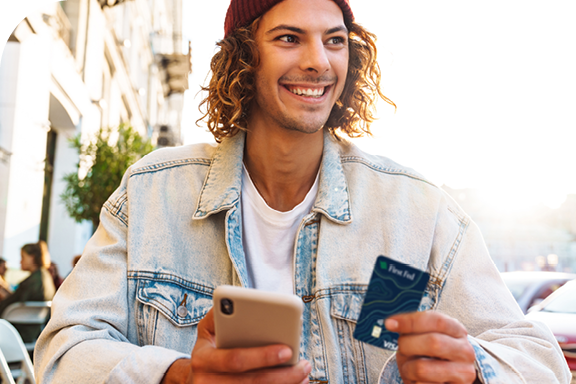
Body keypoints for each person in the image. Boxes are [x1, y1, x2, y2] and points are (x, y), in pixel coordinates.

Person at [35, 0, 571, 383]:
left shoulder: (415, 209)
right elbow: (63, 352)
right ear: (245, 57)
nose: (318, 61)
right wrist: (179, 377)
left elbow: (538, 360)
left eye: (334, 39)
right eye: (289, 37)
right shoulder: (152, 194)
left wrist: (475, 369)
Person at [0, 241, 56, 343]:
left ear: (32, 257)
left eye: (22, 257)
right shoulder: (46, 278)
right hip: (35, 332)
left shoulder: (32, 281)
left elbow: (7, 305)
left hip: (15, 332)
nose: (20, 261)